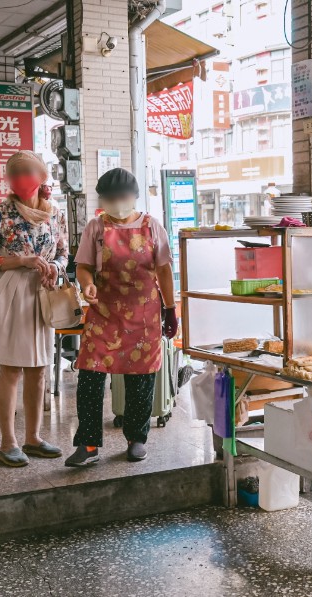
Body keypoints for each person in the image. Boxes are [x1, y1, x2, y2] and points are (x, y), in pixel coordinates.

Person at [65, 168, 178, 466]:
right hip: (104, 312)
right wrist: (86, 284)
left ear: (134, 197)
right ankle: (88, 444)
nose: (117, 203)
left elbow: (164, 269)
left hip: (144, 313)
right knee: (90, 376)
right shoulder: (96, 227)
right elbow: (83, 266)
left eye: (122, 197)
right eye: (110, 198)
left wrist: (170, 309)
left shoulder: (152, 227)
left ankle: (136, 439)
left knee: (141, 378)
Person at [0, 150, 67, 467]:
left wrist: (55, 267)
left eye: (27, 171)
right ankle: (8, 442)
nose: (20, 178)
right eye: (14, 173)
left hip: (42, 291)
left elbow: (64, 253)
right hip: (10, 290)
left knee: (39, 368)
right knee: (11, 368)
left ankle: (33, 438)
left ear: (42, 176)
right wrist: (22, 260)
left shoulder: (55, 214)